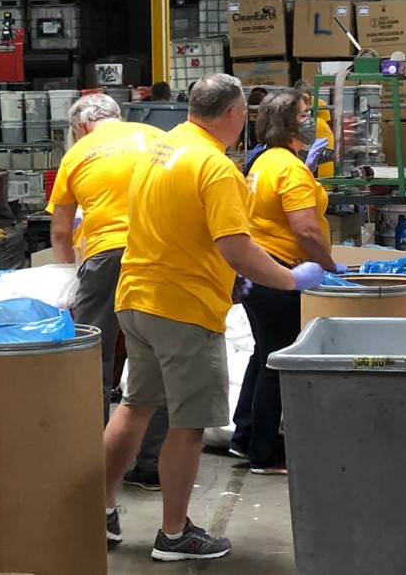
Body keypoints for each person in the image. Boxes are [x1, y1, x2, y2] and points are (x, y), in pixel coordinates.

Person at [104, 73, 325, 560]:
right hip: (182, 308)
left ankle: (96, 511)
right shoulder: (215, 166)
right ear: (233, 114)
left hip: (136, 297)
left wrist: (232, 277)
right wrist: (292, 279)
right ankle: (174, 533)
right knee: (188, 423)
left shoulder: (160, 150)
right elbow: (238, 248)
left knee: (135, 405)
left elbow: (180, 224)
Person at [46, 93, 170, 491]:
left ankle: (91, 461)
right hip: (161, 253)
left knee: (92, 360)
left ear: (81, 126)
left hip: (105, 258)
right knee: (157, 358)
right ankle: (150, 465)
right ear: (119, 116)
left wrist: (72, 273)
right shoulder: (156, 136)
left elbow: (62, 231)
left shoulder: (78, 153)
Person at [230, 90, 345, 475]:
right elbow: (307, 230)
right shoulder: (289, 169)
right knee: (277, 362)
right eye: (305, 114)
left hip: (256, 270)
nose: (312, 120)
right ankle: (265, 452)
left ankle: (244, 435)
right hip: (281, 272)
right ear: (289, 122)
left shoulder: (264, 161)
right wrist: (329, 265)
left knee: (263, 354)